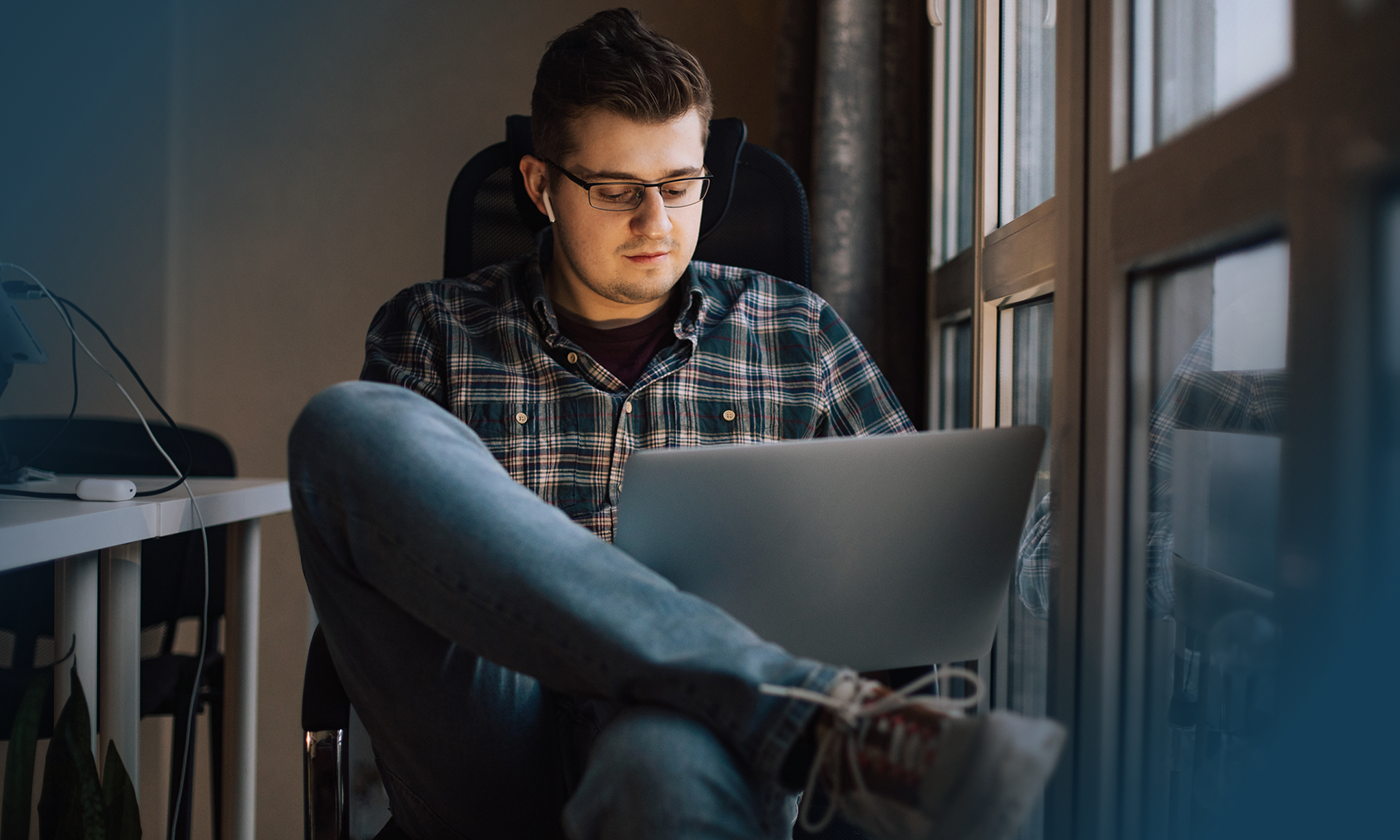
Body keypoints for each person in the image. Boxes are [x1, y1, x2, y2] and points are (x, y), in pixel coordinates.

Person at [290, 9, 1064, 840]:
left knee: (660, 764)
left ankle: (782, 713)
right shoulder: (433, 329)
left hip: (694, 742)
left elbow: (938, 525)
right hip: (488, 741)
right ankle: (803, 716)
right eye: (617, 191)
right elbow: (387, 559)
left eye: (681, 185)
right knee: (343, 427)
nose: (656, 222)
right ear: (540, 185)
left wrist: (1143, 561)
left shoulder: (794, 331)